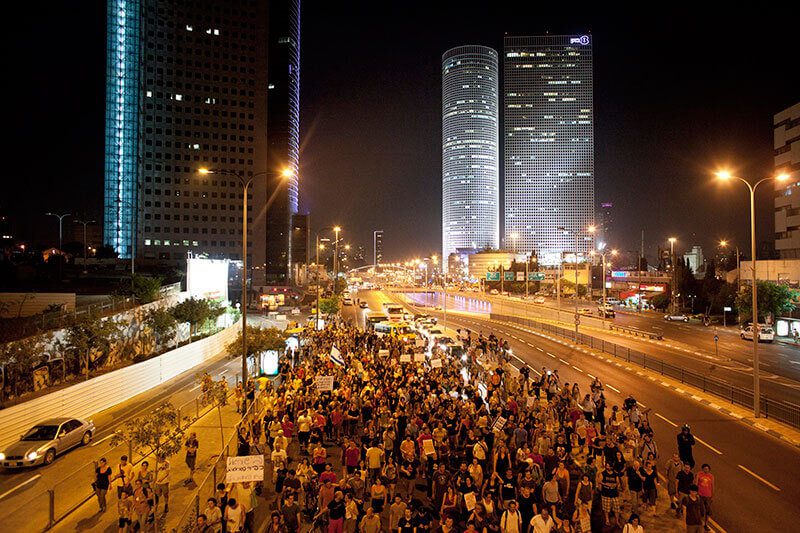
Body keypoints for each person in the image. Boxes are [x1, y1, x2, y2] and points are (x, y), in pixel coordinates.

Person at [696, 464, 715, 530]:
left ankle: (706, 524)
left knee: (708, 511)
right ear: (702, 469)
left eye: (707, 469)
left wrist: (712, 496)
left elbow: (712, 486)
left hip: (708, 496)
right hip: (700, 495)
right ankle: (700, 523)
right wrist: (696, 493)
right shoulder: (699, 474)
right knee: (701, 510)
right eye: (705, 469)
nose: (706, 470)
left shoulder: (711, 476)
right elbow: (696, 483)